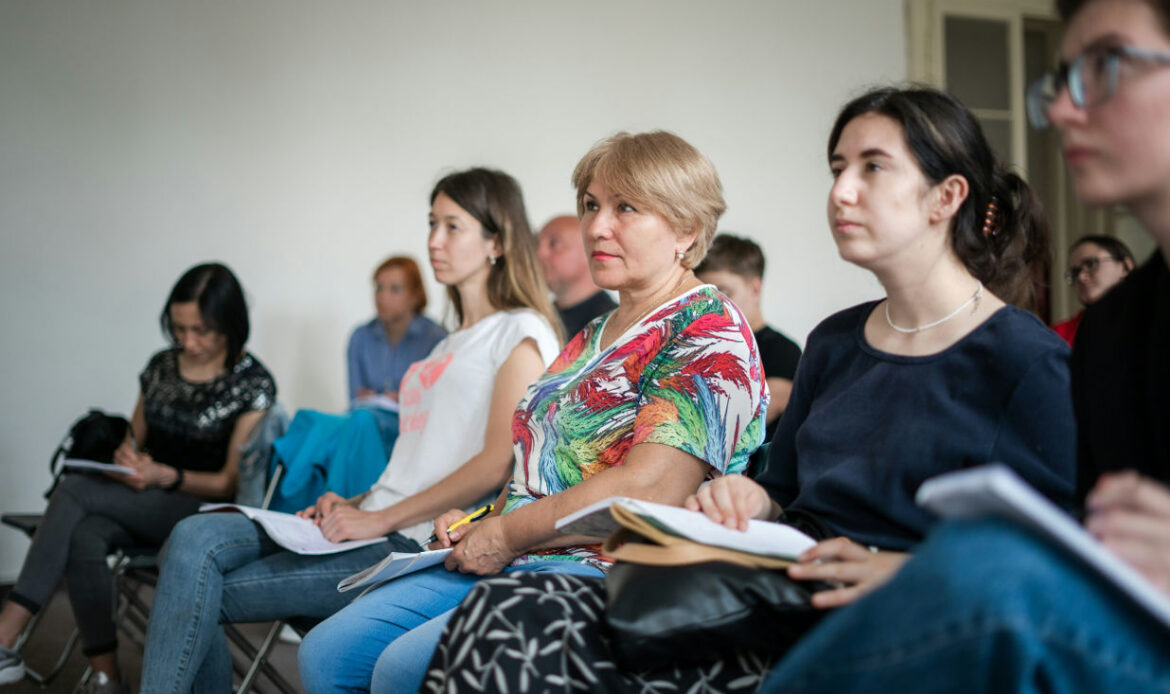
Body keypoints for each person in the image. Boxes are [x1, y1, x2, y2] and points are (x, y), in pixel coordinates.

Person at [418, 87, 1079, 693]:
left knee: (523, 634)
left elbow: (1060, 560)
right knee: (512, 617)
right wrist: (747, 496)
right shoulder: (837, 343)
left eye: (872, 167)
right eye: (836, 168)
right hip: (782, 595)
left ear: (947, 197)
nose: (841, 191)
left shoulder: (1023, 358)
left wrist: (900, 570)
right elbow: (786, 494)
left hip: (906, 621)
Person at [755, 1, 1170, 691]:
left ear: (946, 198)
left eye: (1105, 66)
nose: (1063, 110)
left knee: (985, 575)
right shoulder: (1117, 330)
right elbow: (1102, 541)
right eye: (1061, 79)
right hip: (815, 586)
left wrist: (915, 571)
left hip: (975, 604)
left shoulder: (1029, 358)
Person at [297, 130, 768, 694]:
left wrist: (507, 534)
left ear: (686, 231)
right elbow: (535, 466)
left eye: (625, 208)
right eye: (591, 205)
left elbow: (650, 488)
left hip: (607, 569)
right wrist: (476, 519)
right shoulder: (588, 336)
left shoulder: (707, 327)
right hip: (520, 550)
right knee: (326, 653)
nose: (596, 226)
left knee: (407, 668)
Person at [135, 168, 561, 694]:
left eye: (453, 226)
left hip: (406, 539)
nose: (433, 240)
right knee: (191, 535)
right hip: (375, 517)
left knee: (194, 587)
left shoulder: (520, 330)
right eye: (431, 223)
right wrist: (350, 501)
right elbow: (416, 460)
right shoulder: (447, 344)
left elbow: (497, 463)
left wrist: (377, 517)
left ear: (496, 240)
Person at [0, 263, 275, 693]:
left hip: (200, 511)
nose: (188, 341)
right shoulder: (162, 366)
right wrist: (127, 457)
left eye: (201, 330)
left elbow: (228, 483)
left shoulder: (253, 383)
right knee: (85, 534)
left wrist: (167, 474)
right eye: (180, 328)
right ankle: (107, 675)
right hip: (143, 499)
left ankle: (5, 634)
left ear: (229, 324)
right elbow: (134, 436)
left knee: (74, 490)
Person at [696, 233, 802, 445]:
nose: (711, 305)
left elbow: (748, 419)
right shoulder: (697, 348)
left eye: (723, 292)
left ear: (755, 288)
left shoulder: (783, 351)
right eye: (702, 294)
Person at [347, 255, 446, 405]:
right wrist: (364, 400)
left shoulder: (437, 339)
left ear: (415, 296)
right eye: (379, 288)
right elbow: (354, 399)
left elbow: (441, 401)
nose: (382, 297)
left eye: (395, 289)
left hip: (417, 425)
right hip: (370, 423)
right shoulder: (360, 338)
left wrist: (407, 400)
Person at [536, 214, 617, 338]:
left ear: (590, 252)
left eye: (554, 244)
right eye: (537, 244)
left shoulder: (613, 329)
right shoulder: (536, 318)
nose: (539, 253)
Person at [1051, 235, 1135, 344]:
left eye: (1091, 264)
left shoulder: (1157, 320)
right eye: (1075, 272)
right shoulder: (1056, 336)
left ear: (1125, 267)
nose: (1081, 277)